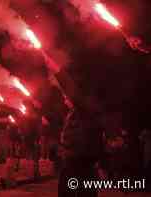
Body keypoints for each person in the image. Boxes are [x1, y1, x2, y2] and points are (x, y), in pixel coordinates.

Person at [45, 63, 103, 197]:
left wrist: (57, 70)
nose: (65, 99)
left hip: (80, 156)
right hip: (76, 156)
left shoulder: (84, 109)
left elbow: (72, 92)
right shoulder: (76, 112)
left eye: (67, 97)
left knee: (79, 187)